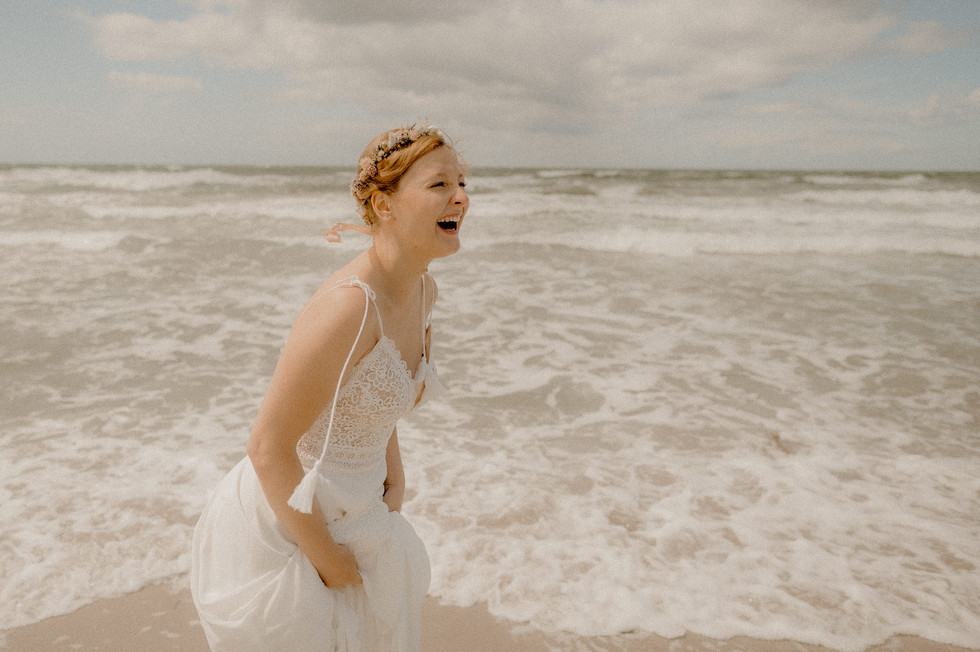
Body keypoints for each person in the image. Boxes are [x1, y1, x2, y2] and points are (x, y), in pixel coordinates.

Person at [190, 122, 469, 651]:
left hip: (362, 514)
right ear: (384, 205)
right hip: (293, 532)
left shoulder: (423, 291)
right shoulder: (349, 307)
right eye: (439, 184)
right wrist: (329, 562)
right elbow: (267, 447)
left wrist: (394, 471)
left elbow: (369, 389)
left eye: (461, 183)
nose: (460, 197)